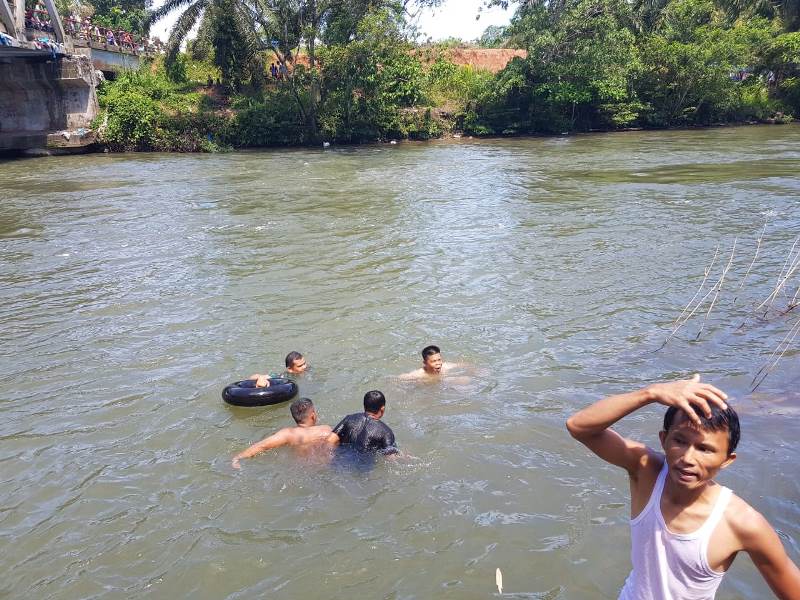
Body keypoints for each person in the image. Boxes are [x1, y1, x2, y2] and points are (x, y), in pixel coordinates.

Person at [566, 374, 800, 599]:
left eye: (704, 449)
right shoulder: (646, 471)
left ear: (727, 460)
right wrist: (651, 393)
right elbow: (578, 426)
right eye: (680, 441)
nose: (688, 458)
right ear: (663, 440)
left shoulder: (743, 523)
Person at [231, 398, 333, 468]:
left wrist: (238, 458)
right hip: (325, 466)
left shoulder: (289, 434)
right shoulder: (325, 430)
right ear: (313, 415)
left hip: (301, 468)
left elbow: (262, 446)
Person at [329, 391, 398, 455]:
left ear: (364, 406)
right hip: (364, 465)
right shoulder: (386, 431)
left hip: (343, 459)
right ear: (382, 409)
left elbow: (330, 440)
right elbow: (391, 457)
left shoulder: (349, 419)